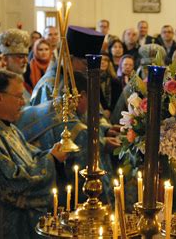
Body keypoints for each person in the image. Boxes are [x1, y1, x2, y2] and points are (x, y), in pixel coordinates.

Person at [0, 69, 68, 238]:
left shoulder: (8, 127)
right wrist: (51, 159)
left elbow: (31, 155)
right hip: (5, 228)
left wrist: (51, 153)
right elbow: (13, 183)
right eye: (18, 96)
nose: (23, 103)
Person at [16, 72, 118, 206]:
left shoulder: (48, 107)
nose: (90, 108)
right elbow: (86, 181)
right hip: (55, 200)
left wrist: (104, 131)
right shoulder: (78, 131)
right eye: (91, 100)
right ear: (80, 96)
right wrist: (107, 205)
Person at [30, 25, 105, 106]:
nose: (88, 69)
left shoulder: (83, 78)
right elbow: (51, 115)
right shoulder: (49, 85)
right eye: (85, 64)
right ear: (69, 59)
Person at [0, 29, 31, 105]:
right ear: (5, 59)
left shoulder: (22, 82)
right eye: (20, 57)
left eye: (26, 56)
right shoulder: (0, 86)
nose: (26, 61)